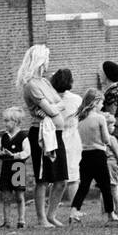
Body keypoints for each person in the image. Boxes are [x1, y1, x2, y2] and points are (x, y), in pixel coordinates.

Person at [17, 45, 67, 228]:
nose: (48, 62)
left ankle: (51, 215)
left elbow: (59, 105)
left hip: (56, 133)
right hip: (41, 134)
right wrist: (54, 108)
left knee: (61, 179)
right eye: (46, 58)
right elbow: (52, 109)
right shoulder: (31, 85)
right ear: (40, 60)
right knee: (44, 177)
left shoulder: (45, 82)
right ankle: (41, 219)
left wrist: (55, 108)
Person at [70, 89, 114, 223]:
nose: (102, 106)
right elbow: (106, 140)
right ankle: (110, 214)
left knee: (83, 186)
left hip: (85, 155)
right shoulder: (100, 118)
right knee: (105, 185)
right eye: (101, 103)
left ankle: (73, 210)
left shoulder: (80, 118)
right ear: (95, 103)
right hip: (98, 154)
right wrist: (110, 130)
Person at [51, 68, 83, 212]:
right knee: (73, 176)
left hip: (55, 137)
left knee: (57, 176)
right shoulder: (76, 100)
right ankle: (74, 208)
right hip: (72, 137)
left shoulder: (50, 99)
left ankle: (53, 208)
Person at [0, 107, 31, 229]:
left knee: (19, 196)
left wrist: (15, 155)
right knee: (6, 196)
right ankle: (7, 221)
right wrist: (0, 153)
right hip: (6, 167)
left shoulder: (23, 136)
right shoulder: (4, 137)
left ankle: (21, 220)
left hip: (18, 167)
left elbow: (27, 152)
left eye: (7, 121)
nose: (5, 123)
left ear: (15, 122)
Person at [100, 60, 118, 177]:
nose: (100, 74)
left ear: (107, 74)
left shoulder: (112, 94)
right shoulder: (117, 90)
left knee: (114, 173)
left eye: (101, 72)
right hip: (117, 132)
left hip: (112, 134)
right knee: (117, 174)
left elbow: (109, 117)